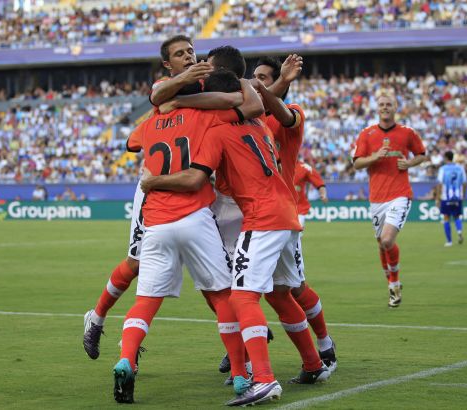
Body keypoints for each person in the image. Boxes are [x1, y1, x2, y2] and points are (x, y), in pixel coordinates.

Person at [142, 68, 331, 407]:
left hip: (261, 217)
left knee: (242, 298)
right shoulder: (258, 123)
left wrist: (153, 182)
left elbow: (195, 181)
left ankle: (263, 379)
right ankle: (314, 363)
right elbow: (252, 101)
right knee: (280, 292)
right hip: (287, 212)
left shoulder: (216, 131)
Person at [83, 36, 246, 361]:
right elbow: (158, 97)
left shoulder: (202, 88)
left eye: (191, 51)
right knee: (136, 264)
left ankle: (237, 348)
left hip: (199, 188)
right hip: (157, 188)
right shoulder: (169, 85)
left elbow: (242, 102)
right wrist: (187, 87)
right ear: (168, 64)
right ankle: (97, 317)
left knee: (213, 276)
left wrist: (193, 100)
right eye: (179, 54)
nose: (188, 57)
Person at [112, 75, 263, 405]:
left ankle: (126, 359)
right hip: (194, 216)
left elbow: (132, 144)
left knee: (146, 301)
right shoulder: (205, 116)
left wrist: (164, 107)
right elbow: (247, 106)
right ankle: (240, 375)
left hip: (155, 222)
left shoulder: (150, 123)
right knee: (223, 296)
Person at [252, 56, 337, 370]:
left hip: (280, 214)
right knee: (249, 289)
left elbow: (284, 115)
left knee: (292, 288)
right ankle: (245, 346)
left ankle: (325, 344)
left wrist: (276, 85)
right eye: (254, 77)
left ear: (280, 83)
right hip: (250, 214)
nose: (256, 83)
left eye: (264, 78)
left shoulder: (292, 113)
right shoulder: (248, 116)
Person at [353, 92, 427, 308]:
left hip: (400, 194)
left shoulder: (407, 133)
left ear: (396, 107)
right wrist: (375, 157)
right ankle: (392, 286)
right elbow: (356, 163)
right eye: (382, 104)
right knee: (381, 244)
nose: (385, 107)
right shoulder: (367, 134)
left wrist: (410, 164)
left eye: (389, 104)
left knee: (387, 240)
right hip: (376, 198)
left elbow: (422, 154)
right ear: (377, 108)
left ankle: (395, 282)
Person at [435, 151, 467, 247]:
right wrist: (463, 195)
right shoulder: (460, 168)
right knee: (457, 216)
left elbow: (439, 183)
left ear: (445, 158)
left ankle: (449, 241)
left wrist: (437, 198)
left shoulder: (443, 169)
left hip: (446, 197)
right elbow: (465, 183)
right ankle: (459, 231)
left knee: (446, 218)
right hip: (458, 197)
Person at [294, 160, 328, 226]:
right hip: (280, 208)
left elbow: (320, 183)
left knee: (296, 233)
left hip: (299, 208)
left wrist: (323, 194)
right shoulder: (275, 165)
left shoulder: (305, 168)